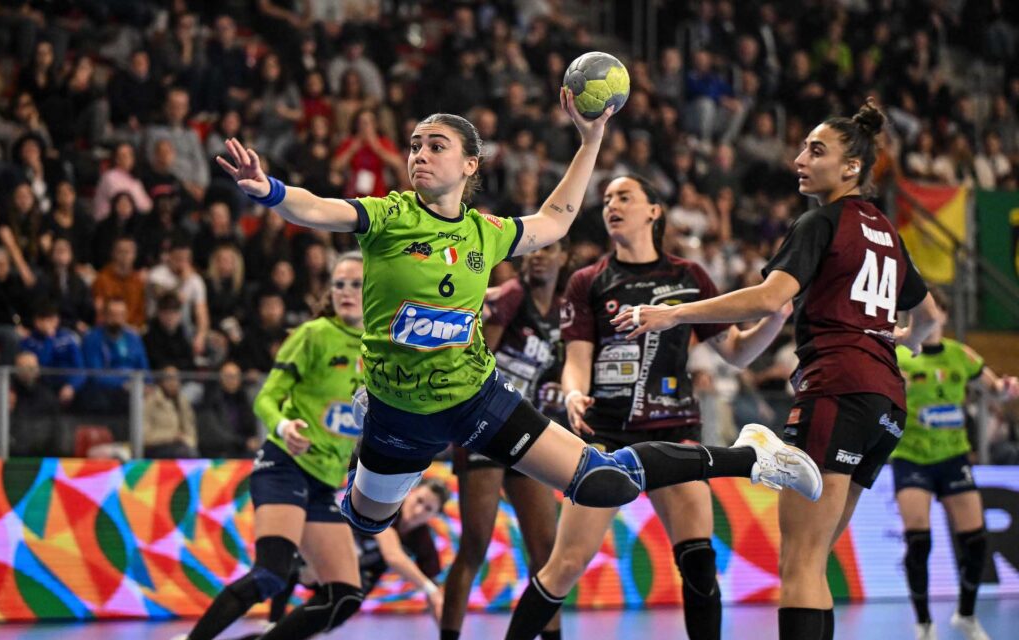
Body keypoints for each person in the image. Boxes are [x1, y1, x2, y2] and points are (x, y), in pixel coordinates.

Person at [215, 94, 819, 547]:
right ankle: (365, 472)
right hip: (399, 410)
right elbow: (317, 208)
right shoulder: (389, 216)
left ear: (470, 164)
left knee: (601, 482)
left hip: (476, 397)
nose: (419, 155)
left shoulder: (487, 232)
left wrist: (590, 140)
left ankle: (753, 456)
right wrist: (269, 190)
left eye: (435, 146)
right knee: (369, 521)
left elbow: (556, 219)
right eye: (415, 146)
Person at [611, 100, 941, 640]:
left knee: (800, 563)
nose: (799, 160)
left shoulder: (821, 222)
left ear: (852, 166)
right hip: (886, 402)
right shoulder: (887, 233)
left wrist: (673, 314)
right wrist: (901, 336)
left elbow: (768, 298)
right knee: (815, 561)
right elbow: (932, 318)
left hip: (835, 389)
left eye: (816, 150)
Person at [476, 175, 792, 640]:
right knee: (564, 565)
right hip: (608, 438)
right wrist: (573, 392)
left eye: (624, 197)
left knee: (699, 565)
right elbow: (577, 360)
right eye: (606, 200)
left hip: (674, 434)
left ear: (654, 211)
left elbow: (736, 352)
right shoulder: (588, 281)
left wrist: (774, 321)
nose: (612, 206)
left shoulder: (689, 277)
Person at [149, 252, 367, 640]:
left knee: (344, 596)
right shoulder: (313, 335)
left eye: (356, 284)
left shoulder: (380, 345)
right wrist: (284, 425)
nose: (346, 292)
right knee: (271, 573)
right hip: (284, 464)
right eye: (339, 284)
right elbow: (266, 397)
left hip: (325, 480)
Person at [432, 239, 598, 640]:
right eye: (533, 250)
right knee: (475, 543)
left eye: (549, 250)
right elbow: (475, 362)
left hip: (527, 433)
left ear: (564, 258)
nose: (538, 255)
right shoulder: (509, 297)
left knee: (546, 550)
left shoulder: (562, 312)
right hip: (485, 430)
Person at [891, 288, 1019, 640]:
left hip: (953, 456)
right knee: (919, 542)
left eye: (935, 310)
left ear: (943, 316)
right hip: (911, 457)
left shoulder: (961, 355)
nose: (928, 317)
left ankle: (965, 614)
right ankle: (924, 625)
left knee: (976, 541)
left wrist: (1007, 389)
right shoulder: (899, 355)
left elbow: (993, 389)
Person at [205, 479, 450, 640]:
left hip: (351, 585)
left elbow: (436, 595)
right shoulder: (385, 508)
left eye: (428, 509)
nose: (419, 511)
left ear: (435, 515)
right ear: (410, 493)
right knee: (286, 563)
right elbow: (394, 556)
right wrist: (428, 588)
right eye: (419, 501)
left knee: (297, 633)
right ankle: (272, 620)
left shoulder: (423, 540)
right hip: (323, 559)